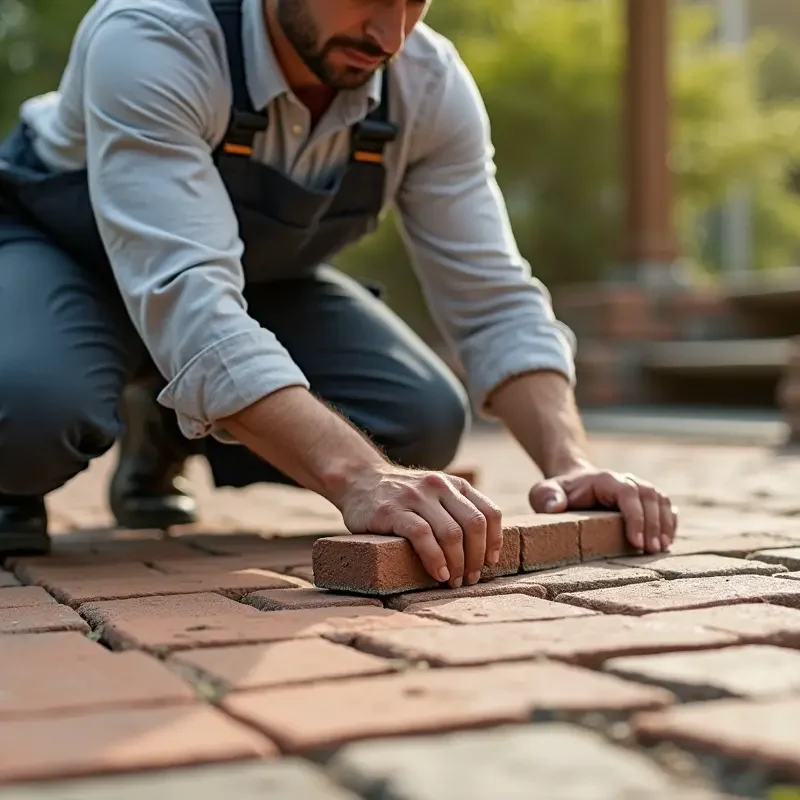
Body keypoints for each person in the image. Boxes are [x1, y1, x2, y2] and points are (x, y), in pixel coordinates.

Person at [0, 0, 677, 584]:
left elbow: (494, 295)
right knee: (28, 413)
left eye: (415, 1)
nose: (390, 35)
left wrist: (572, 464)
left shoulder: (427, 84)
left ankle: (164, 427)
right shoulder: (154, 36)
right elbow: (184, 290)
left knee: (419, 422)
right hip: (61, 259)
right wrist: (358, 478)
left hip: (254, 287)